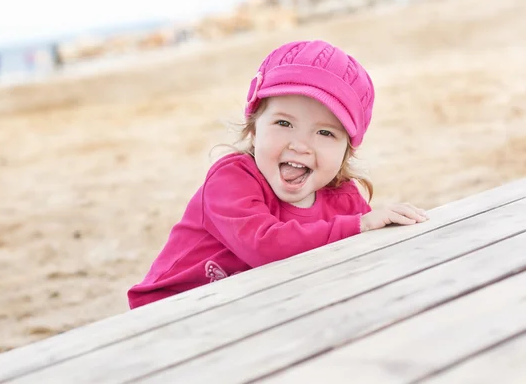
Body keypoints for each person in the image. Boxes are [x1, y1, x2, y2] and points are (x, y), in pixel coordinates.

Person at [127, 40, 429, 309]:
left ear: (346, 150)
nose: (300, 144)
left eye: (325, 132)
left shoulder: (343, 196)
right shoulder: (230, 180)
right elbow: (264, 246)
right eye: (284, 124)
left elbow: (365, 254)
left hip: (253, 306)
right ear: (254, 129)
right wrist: (359, 225)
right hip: (172, 309)